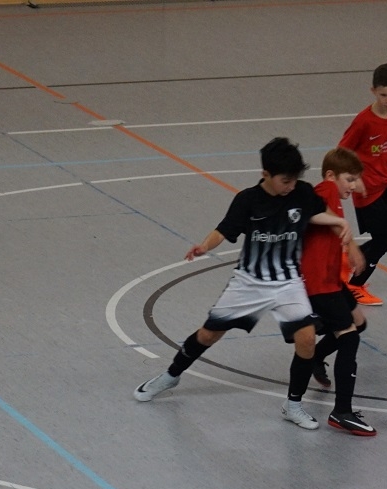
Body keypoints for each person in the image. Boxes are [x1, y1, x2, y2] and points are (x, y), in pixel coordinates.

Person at [133, 138, 354, 431]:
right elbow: (224, 230)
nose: (290, 186)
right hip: (249, 283)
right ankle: (171, 376)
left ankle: (293, 405)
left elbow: (315, 212)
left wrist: (339, 223)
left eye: (293, 180)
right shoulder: (248, 200)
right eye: (284, 181)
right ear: (266, 174)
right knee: (209, 334)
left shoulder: (301, 192)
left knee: (307, 339)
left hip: (287, 281)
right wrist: (204, 246)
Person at [299, 147, 376, 435]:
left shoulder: (334, 196)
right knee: (349, 337)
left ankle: (316, 357)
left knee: (359, 322)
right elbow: (315, 207)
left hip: (332, 280)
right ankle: (342, 411)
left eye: (356, 180)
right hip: (318, 283)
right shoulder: (326, 189)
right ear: (331, 175)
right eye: (350, 179)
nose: (353, 186)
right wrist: (352, 245)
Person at [338, 62, 387, 307]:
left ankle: (348, 258)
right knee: (381, 241)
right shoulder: (363, 121)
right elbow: (342, 152)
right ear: (373, 91)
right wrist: (355, 179)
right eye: (383, 95)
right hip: (367, 190)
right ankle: (355, 286)